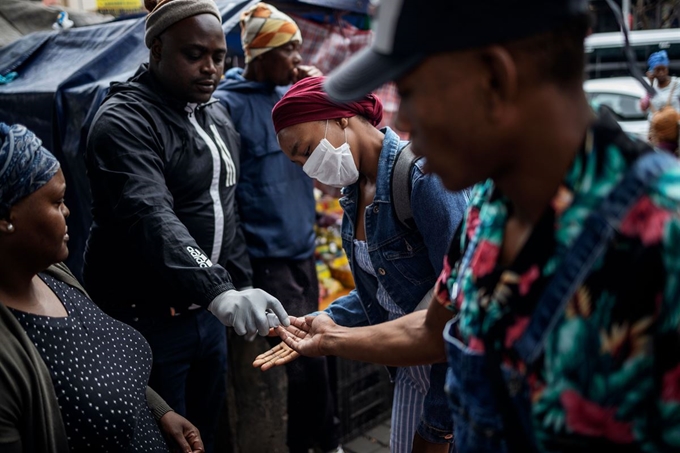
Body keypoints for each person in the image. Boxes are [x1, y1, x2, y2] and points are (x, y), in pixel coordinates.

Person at [267, 1, 680, 452]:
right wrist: (332, 335)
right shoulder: (488, 210)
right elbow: (432, 330)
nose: (402, 122)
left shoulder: (663, 236)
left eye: (414, 92)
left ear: (494, 79)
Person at [82, 0, 289, 451]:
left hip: (207, 321)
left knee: (207, 432)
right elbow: (150, 213)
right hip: (147, 324)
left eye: (218, 57)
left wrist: (241, 289)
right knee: (162, 441)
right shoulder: (124, 121)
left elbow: (226, 209)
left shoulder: (214, 114)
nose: (210, 68)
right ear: (156, 49)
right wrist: (220, 291)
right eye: (193, 55)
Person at [255, 75, 469, 453]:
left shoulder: (421, 177)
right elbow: (385, 289)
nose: (308, 168)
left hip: (451, 385)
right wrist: (328, 318)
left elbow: (461, 314)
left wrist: (439, 426)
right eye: (297, 162)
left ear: (339, 116)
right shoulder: (354, 192)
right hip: (409, 371)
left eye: (306, 150)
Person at [0, 122, 204, 453]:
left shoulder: (53, 275)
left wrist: (155, 412)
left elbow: (100, 360)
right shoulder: (7, 355)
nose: (68, 211)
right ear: (6, 217)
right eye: (56, 202)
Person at [211, 4, 341, 453]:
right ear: (259, 54)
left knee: (319, 351)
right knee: (302, 359)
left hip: (302, 249)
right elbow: (227, 196)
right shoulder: (227, 107)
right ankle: (317, 444)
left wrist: (308, 82)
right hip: (269, 261)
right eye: (288, 49)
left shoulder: (287, 96)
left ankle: (321, 438)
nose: (296, 57)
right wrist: (242, 271)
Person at [639, 50, 680, 154]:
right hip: (658, 137)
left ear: (667, 68)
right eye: (657, 70)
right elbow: (643, 108)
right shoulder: (651, 89)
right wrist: (650, 83)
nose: (661, 73)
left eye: (663, 69)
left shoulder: (676, 84)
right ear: (652, 71)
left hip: (676, 135)